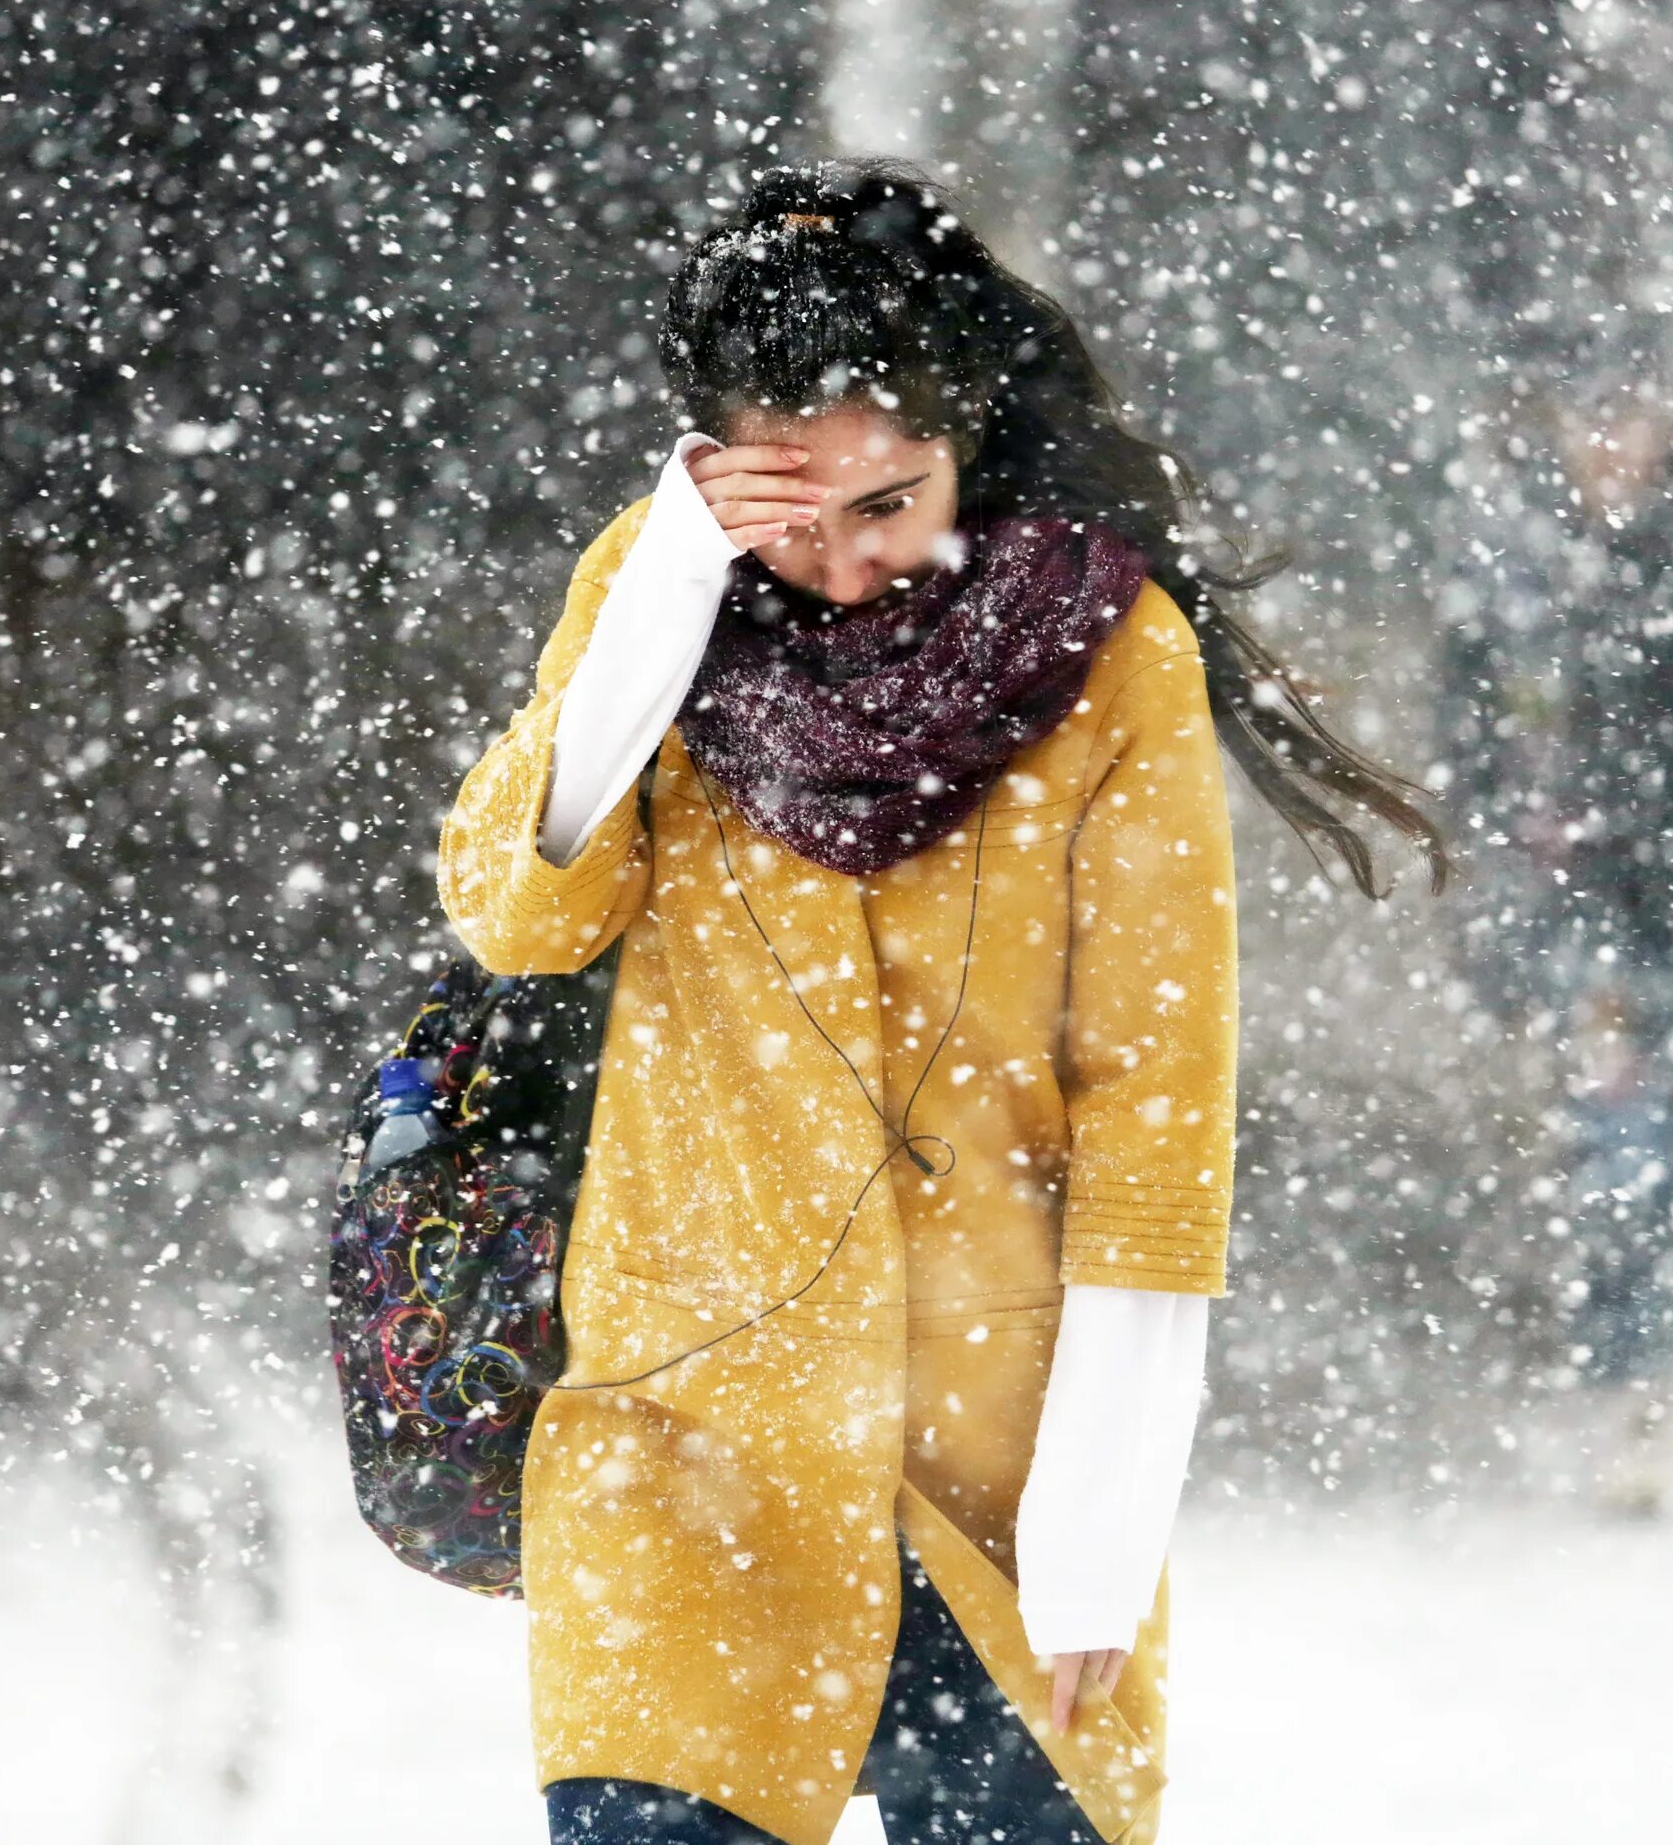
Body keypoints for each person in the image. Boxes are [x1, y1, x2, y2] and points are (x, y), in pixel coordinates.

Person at [436, 158, 1444, 1845]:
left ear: (962, 434)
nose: (839, 568)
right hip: (686, 1433)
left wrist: (1101, 1538)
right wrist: (676, 577)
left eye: (889, 503)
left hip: (995, 1461)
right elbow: (522, 909)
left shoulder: (1109, 654)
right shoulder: (660, 590)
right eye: (790, 516)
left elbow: (1153, 1103)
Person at [1430, 347, 1673, 1455]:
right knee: (1618, 1133)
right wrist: (1500, 878)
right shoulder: (1517, 559)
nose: (1607, 440)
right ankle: (1628, 1367)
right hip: (1578, 897)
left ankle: (1646, 1349)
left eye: (1628, 414)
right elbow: (1473, 732)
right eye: (1586, 414)